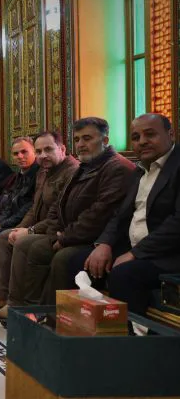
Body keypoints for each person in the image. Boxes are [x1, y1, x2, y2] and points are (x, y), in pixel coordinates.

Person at [4, 117, 134, 309]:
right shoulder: (85, 166)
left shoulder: (117, 168)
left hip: (95, 239)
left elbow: (97, 215)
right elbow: (59, 205)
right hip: (70, 233)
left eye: (87, 138)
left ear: (105, 140)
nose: (80, 144)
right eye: (77, 139)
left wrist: (64, 237)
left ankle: (50, 313)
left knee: (61, 257)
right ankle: (26, 307)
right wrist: (55, 232)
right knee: (28, 245)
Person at [80, 114, 179, 317]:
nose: (142, 141)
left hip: (167, 254)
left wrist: (135, 253)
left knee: (124, 275)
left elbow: (177, 223)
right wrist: (104, 244)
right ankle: (84, 329)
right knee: (79, 262)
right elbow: (120, 215)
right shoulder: (140, 170)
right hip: (135, 248)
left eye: (150, 134)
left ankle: (131, 333)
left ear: (171, 134)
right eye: (136, 137)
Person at [0, 131, 78, 315]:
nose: (42, 155)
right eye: (39, 151)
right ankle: (0, 296)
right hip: (42, 226)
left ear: (62, 149)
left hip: (57, 230)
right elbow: (34, 208)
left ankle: (16, 304)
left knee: (22, 242)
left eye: (48, 149)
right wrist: (20, 228)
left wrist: (30, 231)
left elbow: (57, 216)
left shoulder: (71, 172)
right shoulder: (43, 172)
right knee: (5, 237)